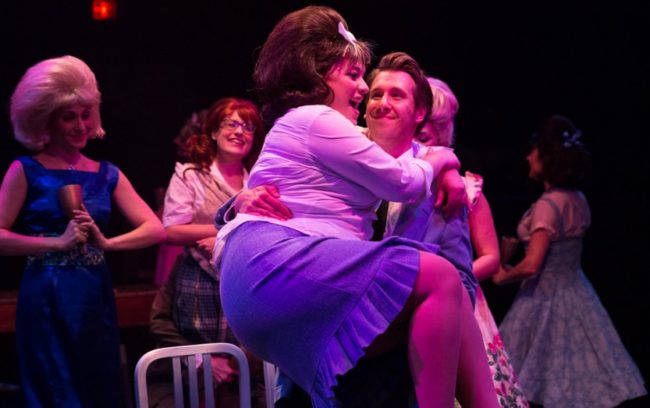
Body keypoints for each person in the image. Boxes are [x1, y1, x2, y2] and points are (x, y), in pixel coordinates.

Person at [215, 7, 499, 407]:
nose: (371, 94)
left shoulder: (338, 140)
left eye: (394, 95)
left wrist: (446, 163)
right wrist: (238, 200)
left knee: (445, 281)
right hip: (279, 271)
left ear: (420, 114)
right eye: (362, 82)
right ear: (317, 76)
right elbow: (402, 180)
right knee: (436, 275)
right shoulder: (322, 124)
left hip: (299, 295)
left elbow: (462, 282)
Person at [0, 55, 166, 407]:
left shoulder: (106, 172)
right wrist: (55, 243)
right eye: (68, 116)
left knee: (97, 384)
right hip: (46, 292)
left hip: (94, 293)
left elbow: (155, 229)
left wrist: (107, 242)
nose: (80, 125)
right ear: (47, 119)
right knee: (55, 388)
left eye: (85, 114)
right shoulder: (25, 169)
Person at [492, 115, 647, 407]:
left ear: (547, 158)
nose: (528, 156)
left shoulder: (548, 205)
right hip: (578, 292)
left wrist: (502, 275)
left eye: (534, 151)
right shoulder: (578, 198)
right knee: (576, 376)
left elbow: (533, 264)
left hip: (544, 298)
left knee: (533, 377)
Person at [414, 76, 528, 407]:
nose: (425, 131)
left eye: (434, 124)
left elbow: (491, 256)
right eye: (420, 123)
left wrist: (448, 281)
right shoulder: (399, 182)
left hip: (462, 300)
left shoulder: (468, 188)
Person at [149, 98, 265, 407]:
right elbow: (171, 230)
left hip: (245, 276)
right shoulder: (192, 175)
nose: (240, 131)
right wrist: (224, 228)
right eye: (232, 123)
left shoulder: (258, 178)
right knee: (204, 381)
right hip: (200, 278)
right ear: (213, 131)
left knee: (248, 373)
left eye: (248, 126)